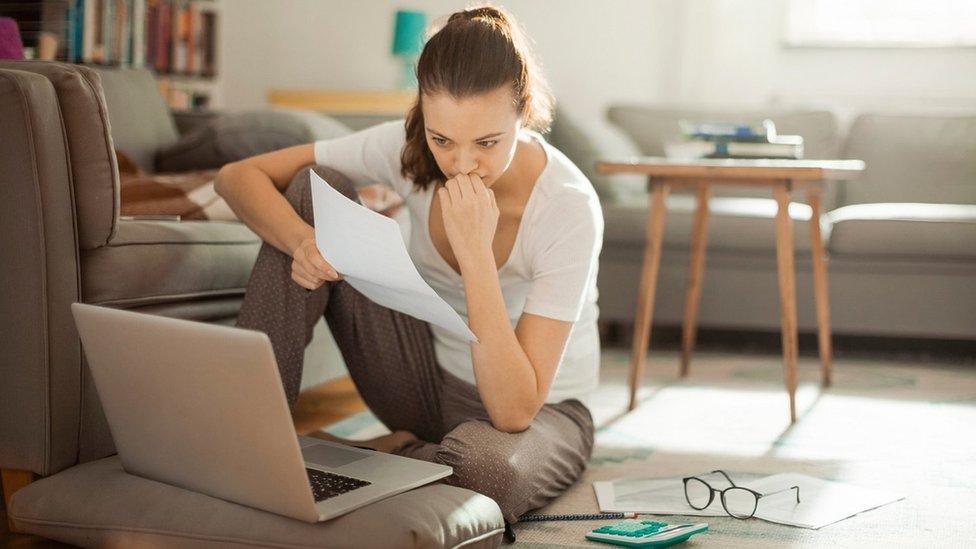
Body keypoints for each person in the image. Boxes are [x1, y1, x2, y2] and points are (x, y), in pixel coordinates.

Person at [214, 5, 603, 525]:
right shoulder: (406, 150)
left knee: (488, 474)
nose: (463, 164)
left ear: (523, 113)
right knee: (315, 185)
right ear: (424, 114)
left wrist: (475, 257)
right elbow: (238, 177)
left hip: (541, 414)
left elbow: (514, 411)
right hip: (425, 383)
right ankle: (249, 444)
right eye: (443, 140)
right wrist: (302, 241)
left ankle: (376, 454)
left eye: (488, 142)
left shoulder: (568, 207)